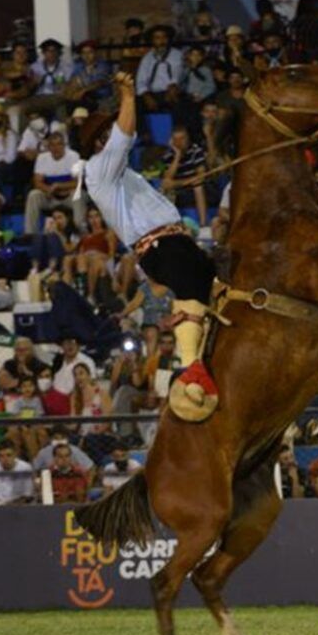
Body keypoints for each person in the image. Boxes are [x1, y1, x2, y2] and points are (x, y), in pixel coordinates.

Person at [74, 73, 221, 421]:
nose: (114, 135)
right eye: (106, 133)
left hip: (173, 239)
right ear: (98, 142)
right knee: (190, 293)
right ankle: (192, 372)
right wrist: (127, 94)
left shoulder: (117, 172)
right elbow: (126, 132)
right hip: (158, 245)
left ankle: (205, 361)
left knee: (210, 292)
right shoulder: (98, 171)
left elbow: (125, 135)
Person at [0, 440, 35, 505]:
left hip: (19, 509)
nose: (5, 459)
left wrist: (8, 507)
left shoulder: (25, 468)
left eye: (8, 455)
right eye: (1, 456)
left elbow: (27, 496)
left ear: (15, 455)